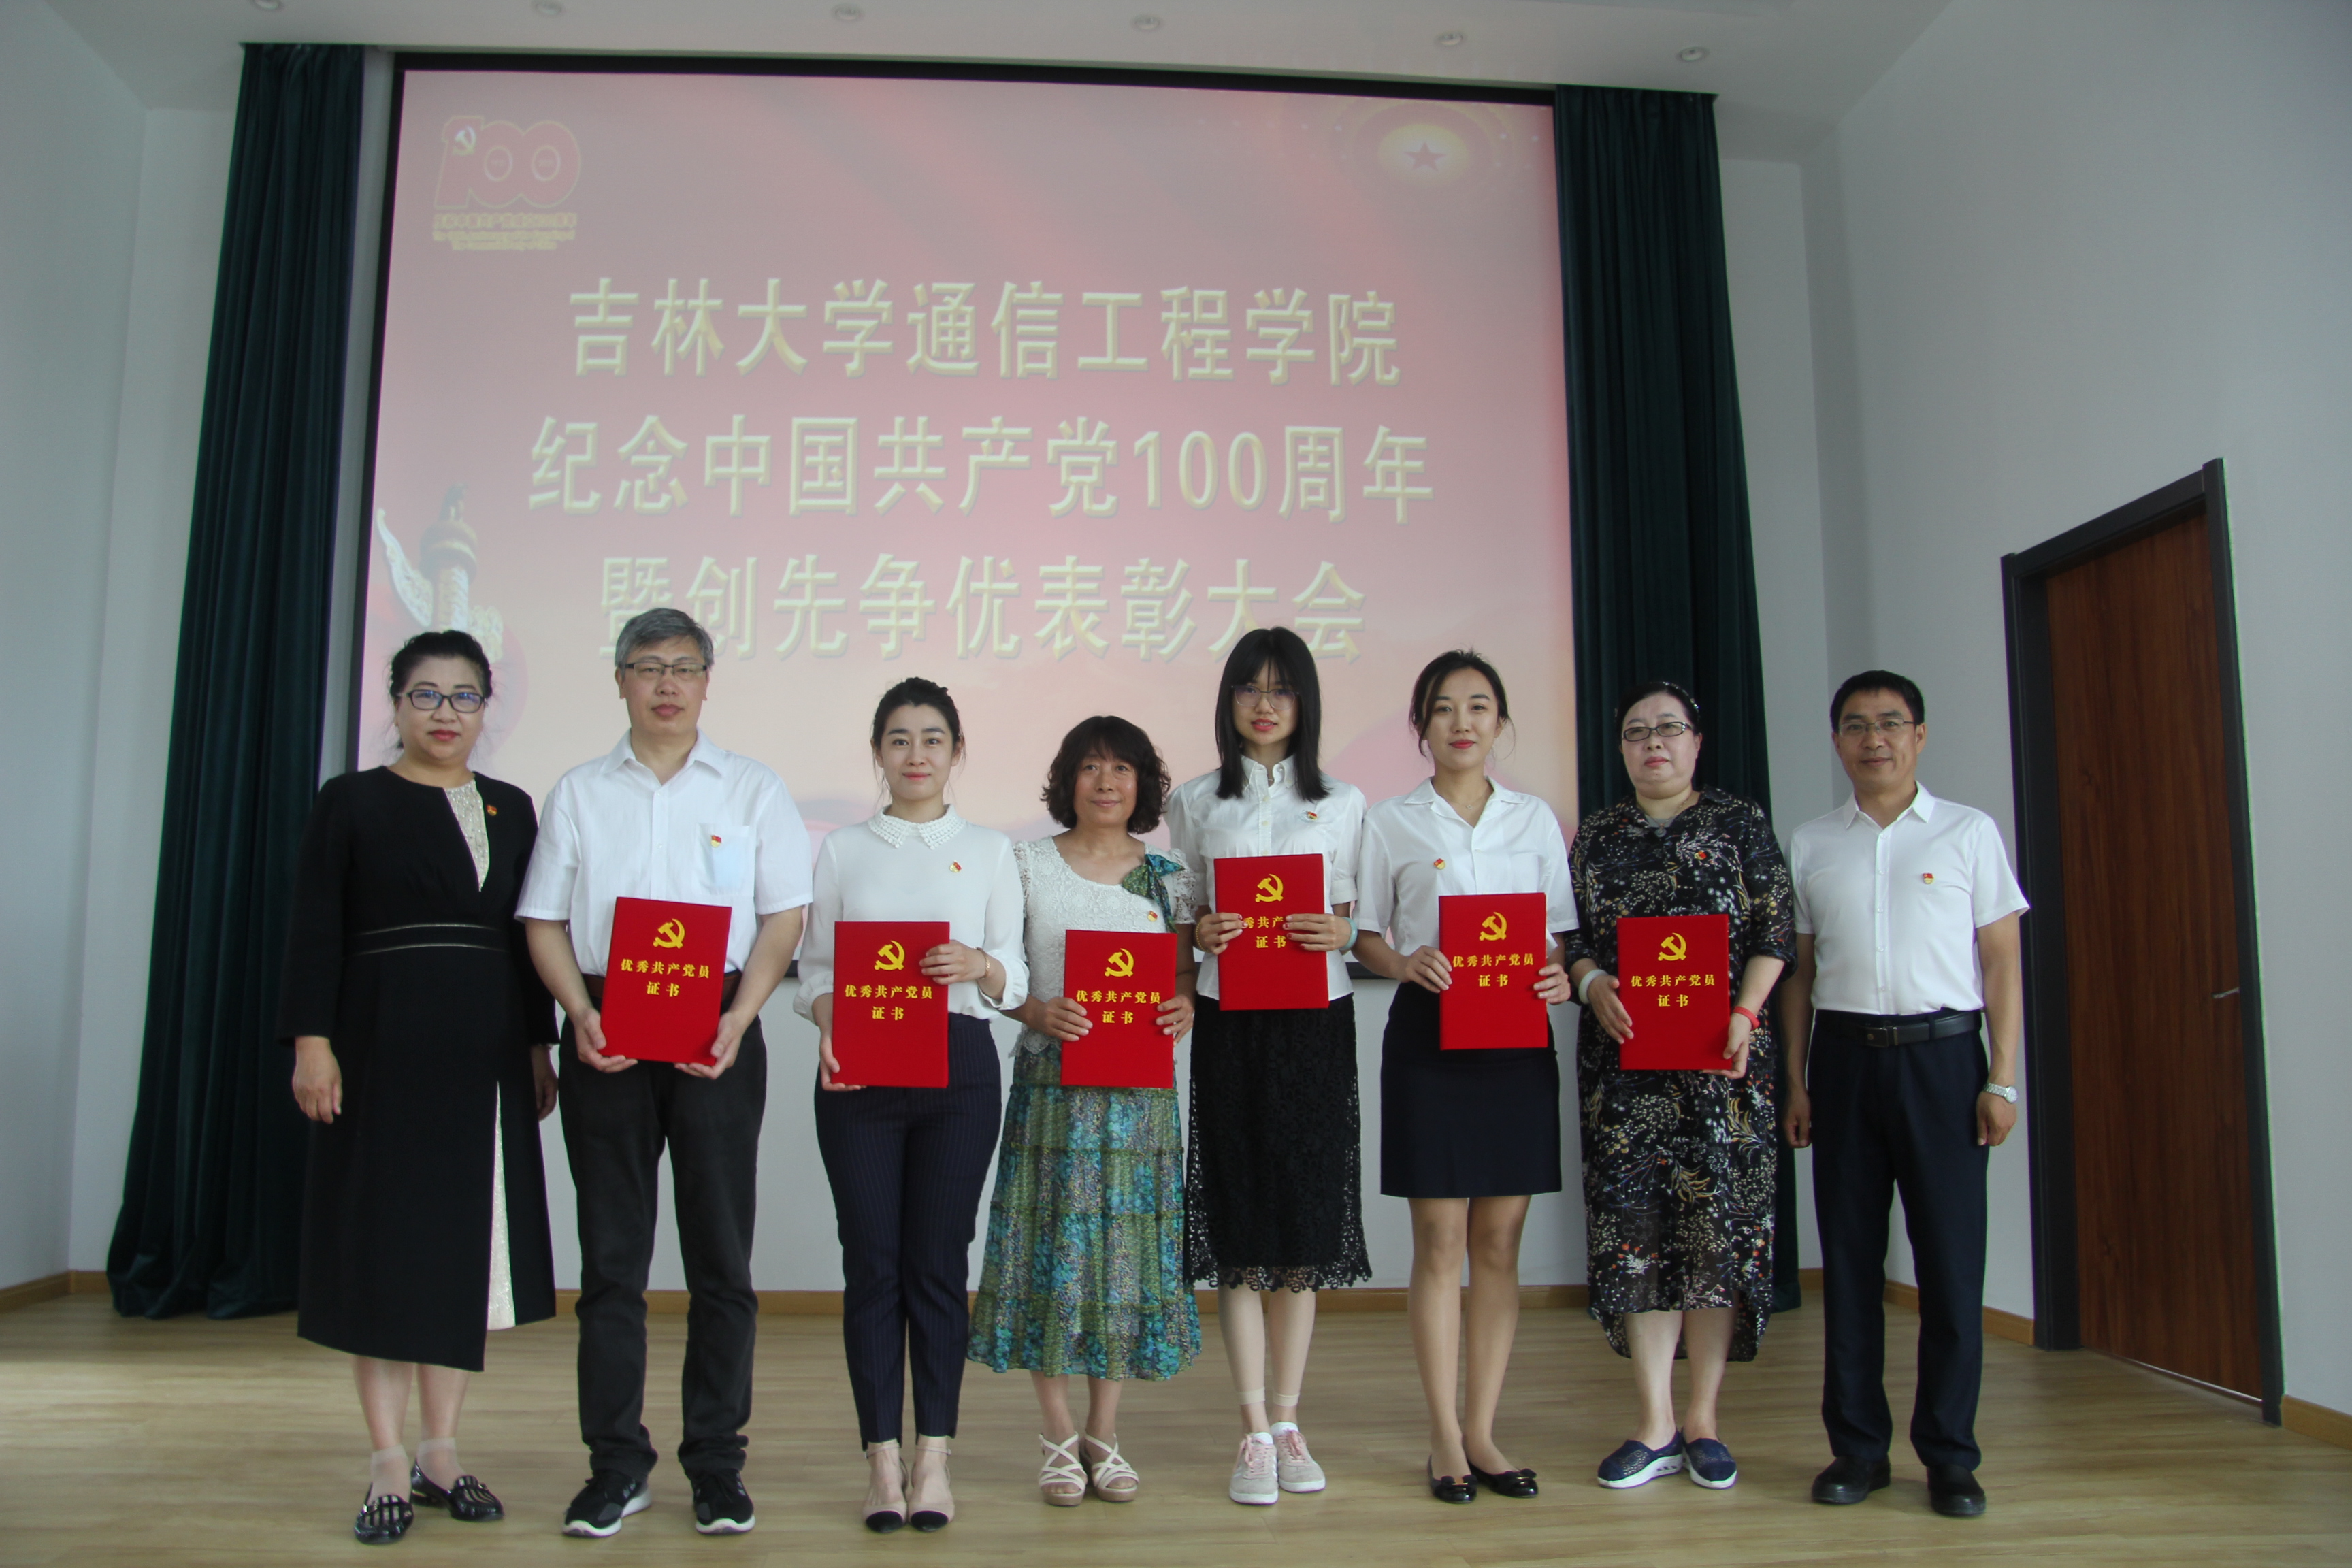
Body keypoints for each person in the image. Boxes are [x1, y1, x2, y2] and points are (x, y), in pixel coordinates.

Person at [517, 608, 812, 1539]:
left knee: (722, 1258)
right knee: (611, 1262)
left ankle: (717, 1465)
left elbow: (784, 916)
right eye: (648, 667)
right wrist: (580, 1013)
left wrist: (741, 1017)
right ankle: (616, 1466)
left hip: (718, 1025)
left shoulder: (752, 788)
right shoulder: (578, 792)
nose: (667, 684)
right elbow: (543, 920)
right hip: (606, 1025)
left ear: (707, 681)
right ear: (620, 681)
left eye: (683, 666)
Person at [281, 629, 559, 1546]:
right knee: (385, 1252)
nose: (446, 713)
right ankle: (386, 1462)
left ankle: (442, 1453)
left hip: (485, 1054)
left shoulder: (512, 808)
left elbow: (527, 938)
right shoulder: (351, 800)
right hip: (380, 1047)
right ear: (396, 703)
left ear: (486, 709)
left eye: (465, 696)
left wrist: (537, 1044)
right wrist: (312, 1042)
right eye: (427, 695)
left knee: (461, 1253)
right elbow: (314, 927)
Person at [1779, 670, 2025, 1519]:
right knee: (1849, 1265)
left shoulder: (1968, 833)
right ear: (1837, 742)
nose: (1873, 739)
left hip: (1945, 1062)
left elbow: (2001, 959)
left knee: (1951, 1267)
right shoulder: (1812, 842)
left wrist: (2002, 1078)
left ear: (1919, 736)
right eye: (1855, 725)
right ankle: (1858, 1449)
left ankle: (1951, 1456)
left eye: (1890, 723)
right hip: (1845, 1063)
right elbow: (1800, 975)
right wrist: (1796, 1080)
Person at [798, 678, 1027, 1533]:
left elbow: (1016, 977)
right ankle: (881, 1461)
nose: (917, 754)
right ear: (878, 754)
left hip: (959, 1068)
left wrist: (980, 966)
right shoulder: (843, 851)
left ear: (958, 752)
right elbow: (815, 971)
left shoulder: (993, 851)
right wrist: (829, 1019)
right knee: (872, 1264)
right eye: (899, 739)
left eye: (933, 739)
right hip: (860, 1070)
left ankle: (934, 1454)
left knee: (936, 1263)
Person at [1352, 651, 1575, 1504]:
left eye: (1478, 706)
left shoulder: (1534, 818)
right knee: (1441, 1242)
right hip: (1430, 1044)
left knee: (1500, 1243)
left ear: (1500, 723)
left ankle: (1483, 1430)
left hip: (1516, 1042)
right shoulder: (1390, 822)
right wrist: (1404, 963)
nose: (1462, 722)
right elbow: (1366, 935)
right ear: (1421, 727)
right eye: (1444, 708)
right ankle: (1443, 1434)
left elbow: (1556, 937)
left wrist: (1557, 973)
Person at [1562, 680, 1796, 1492]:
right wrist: (1592, 983)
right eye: (1636, 731)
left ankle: (1703, 1421)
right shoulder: (1597, 835)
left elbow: (1774, 930)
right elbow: (1570, 940)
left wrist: (1746, 1012)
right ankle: (1654, 1422)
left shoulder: (1739, 824)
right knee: (1638, 1232)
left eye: (1669, 728)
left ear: (1697, 741)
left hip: (1723, 1067)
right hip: (1625, 1073)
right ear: (1621, 748)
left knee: (1713, 1234)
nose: (1653, 743)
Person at [966, 715, 1202, 1507]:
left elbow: (1181, 974)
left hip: (1139, 1098)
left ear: (1144, 784)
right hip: (1054, 1088)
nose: (1106, 782)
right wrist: (1035, 1011)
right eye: (1091, 767)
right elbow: (999, 971)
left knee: (1123, 1260)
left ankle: (1105, 1433)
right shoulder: (1026, 864)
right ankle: (1058, 1435)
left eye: (1122, 768)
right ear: (1067, 780)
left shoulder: (1168, 875)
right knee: (1050, 1253)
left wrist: (1184, 1005)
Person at [1165, 627, 1370, 1506]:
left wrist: (1343, 931)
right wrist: (1202, 933)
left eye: (1281, 689)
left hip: (1316, 1024)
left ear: (1304, 703)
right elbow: (1182, 921)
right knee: (1240, 1225)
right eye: (1248, 688)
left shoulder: (1345, 802)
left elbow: (1357, 918)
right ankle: (1251, 1428)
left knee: (1303, 1228)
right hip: (1230, 1023)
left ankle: (1289, 1421)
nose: (1263, 704)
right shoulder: (1193, 800)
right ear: (1228, 700)